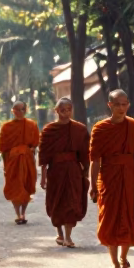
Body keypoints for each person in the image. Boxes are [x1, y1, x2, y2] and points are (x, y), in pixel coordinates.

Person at [89, 89, 134, 268]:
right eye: (117, 104)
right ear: (110, 105)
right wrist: (93, 185)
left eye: (124, 104)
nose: (121, 108)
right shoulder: (100, 128)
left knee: (131, 216)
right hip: (109, 177)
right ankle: (114, 262)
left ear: (128, 105)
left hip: (131, 177)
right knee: (110, 217)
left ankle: (124, 256)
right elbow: (95, 159)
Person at [39, 97, 89, 248]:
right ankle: (59, 233)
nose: (66, 113)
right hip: (55, 171)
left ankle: (68, 236)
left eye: (69, 110)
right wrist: (42, 177)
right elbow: (44, 155)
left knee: (71, 201)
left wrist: (86, 171)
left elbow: (85, 152)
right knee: (56, 202)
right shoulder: (49, 130)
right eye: (63, 110)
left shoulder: (79, 129)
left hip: (73, 170)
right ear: (56, 110)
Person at [0, 102, 40, 224]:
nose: (20, 112)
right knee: (14, 185)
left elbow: (35, 142)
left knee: (26, 185)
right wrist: (5, 163)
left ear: (25, 110)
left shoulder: (31, 125)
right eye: (17, 109)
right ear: (13, 111)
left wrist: (31, 149)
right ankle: (18, 214)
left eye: (22, 109)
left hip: (27, 159)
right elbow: (3, 147)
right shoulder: (6, 127)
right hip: (12, 160)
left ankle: (23, 212)